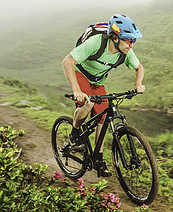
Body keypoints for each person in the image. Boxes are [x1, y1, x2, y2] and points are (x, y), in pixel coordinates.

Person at [62, 14, 145, 177]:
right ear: (114, 37)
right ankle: (75, 132)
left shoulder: (125, 52)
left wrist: (138, 84)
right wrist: (76, 90)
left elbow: (139, 68)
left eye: (133, 41)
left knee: (103, 117)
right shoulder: (96, 43)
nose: (131, 45)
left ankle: (98, 158)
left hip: (98, 81)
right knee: (89, 103)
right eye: (128, 40)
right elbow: (68, 62)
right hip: (81, 74)